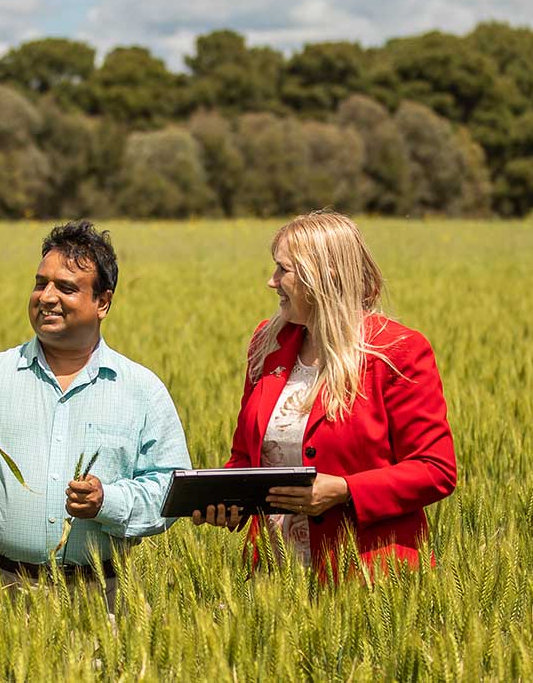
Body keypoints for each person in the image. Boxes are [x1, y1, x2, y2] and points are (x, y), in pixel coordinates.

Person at [0, 220, 190, 602]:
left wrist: (106, 501)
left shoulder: (142, 391)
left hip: (99, 595)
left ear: (103, 302)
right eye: (40, 283)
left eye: (65, 287)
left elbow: (171, 493)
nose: (46, 297)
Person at [192, 211, 456, 577]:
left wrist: (345, 489)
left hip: (367, 577)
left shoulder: (398, 351)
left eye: (283, 270)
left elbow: (435, 470)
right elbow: (245, 456)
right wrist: (225, 498)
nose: (272, 282)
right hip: (274, 573)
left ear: (325, 276)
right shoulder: (267, 343)